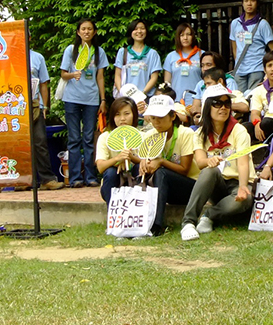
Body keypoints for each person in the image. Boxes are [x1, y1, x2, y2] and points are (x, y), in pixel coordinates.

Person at [181, 85, 254, 241]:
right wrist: (210, 160)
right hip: (217, 183)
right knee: (209, 170)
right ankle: (188, 223)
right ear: (207, 107)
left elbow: (243, 162)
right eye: (217, 103)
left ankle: (209, 215)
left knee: (246, 198)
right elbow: (200, 163)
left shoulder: (239, 130)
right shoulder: (200, 133)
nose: (223, 108)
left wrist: (242, 186)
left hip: (236, 183)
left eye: (227, 104)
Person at [60, 18, 110, 188]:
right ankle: (75, 178)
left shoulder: (99, 52)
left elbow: (100, 77)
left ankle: (90, 177)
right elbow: (63, 74)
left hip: (91, 99)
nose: (86, 32)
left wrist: (103, 99)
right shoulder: (71, 50)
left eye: (90, 29)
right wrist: (73, 74)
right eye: (83, 29)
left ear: (94, 32)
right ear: (78, 32)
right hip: (71, 99)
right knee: (74, 138)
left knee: (89, 138)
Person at [139, 95, 198, 236]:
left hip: (190, 187)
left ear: (172, 116)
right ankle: (138, 223)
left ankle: (156, 226)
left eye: (160, 117)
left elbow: (184, 170)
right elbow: (146, 162)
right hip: (163, 187)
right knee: (148, 172)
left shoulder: (186, 133)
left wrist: (161, 162)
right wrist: (144, 164)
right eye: (153, 118)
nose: (156, 122)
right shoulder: (149, 136)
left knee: (161, 172)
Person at [28, 48, 64, 191]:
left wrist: (44, 106)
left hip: (34, 104)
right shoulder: (7, 56)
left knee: (40, 141)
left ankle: (46, 179)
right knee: (18, 144)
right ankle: (21, 180)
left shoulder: (37, 57)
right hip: (13, 107)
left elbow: (44, 83)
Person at [96, 97, 142, 204]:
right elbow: (101, 167)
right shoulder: (105, 137)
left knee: (139, 168)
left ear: (134, 115)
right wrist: (118, 158)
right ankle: (112, 213)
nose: (122, 118)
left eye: (126, 114)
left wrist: (131, 157)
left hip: (135, 182)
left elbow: (148, 163)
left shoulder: (142, 136)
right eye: (117, 114)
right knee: (110, 172)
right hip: (114, 183)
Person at [230, 0, 273, 91]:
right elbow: (234, 47)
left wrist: (267, 68)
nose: (249, 3)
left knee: (253, 97)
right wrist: (237, 61)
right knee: (239, 98)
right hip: (240, 69)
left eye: (252, 0)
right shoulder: (235, 23)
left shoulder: (263, 24)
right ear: (242, 3)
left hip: (257, 68)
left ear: (257, 3)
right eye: (246, 1)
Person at [114, 18, 162, 100]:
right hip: (126, 97)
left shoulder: (152, 54)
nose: (139, 31)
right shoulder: (123, 52)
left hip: (146, 97)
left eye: (142, 28)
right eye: (135, 29)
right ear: (131, 32)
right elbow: (118, 75)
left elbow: (154, 77)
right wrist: (122, 93)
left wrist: (141, 94)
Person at [163, 22, 203, 106]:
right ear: (178, 37)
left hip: (196, 100)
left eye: (188, 34)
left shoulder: (201, 54)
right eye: (182, 35)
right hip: (176, 101)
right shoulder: (171, 56)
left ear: (193, 37)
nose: (185, 38)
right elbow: (167, 82)